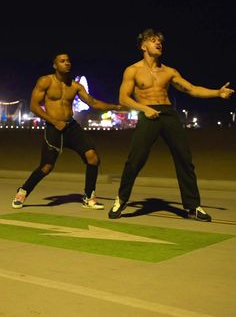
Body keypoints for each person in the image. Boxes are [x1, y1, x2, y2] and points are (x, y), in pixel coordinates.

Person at [108, 28, 234, 221]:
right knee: (136, 159)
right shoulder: (132, 70)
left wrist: (217, 93)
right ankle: (121, 199)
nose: (158, 43)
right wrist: (145, 109)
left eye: (160, 41)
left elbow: (191, 89)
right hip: (147, 113)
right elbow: (123, 98)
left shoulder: (169, 71)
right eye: (153, 40)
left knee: (184, 159)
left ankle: (193, 206)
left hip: (168, 114)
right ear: (143, 46)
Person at [12, 53, 121, 210]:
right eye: (62, 61)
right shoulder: (45, 81)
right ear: (55, 65)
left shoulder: (75, 86)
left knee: (93, 158)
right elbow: (34, 106)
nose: (67, 63)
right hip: (53, 127)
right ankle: (23, 191)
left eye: (68, 60)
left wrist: (115, 107)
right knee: (47, 166)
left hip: (71, 127)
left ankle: (88, 196)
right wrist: (54, 122)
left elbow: (93, 102)